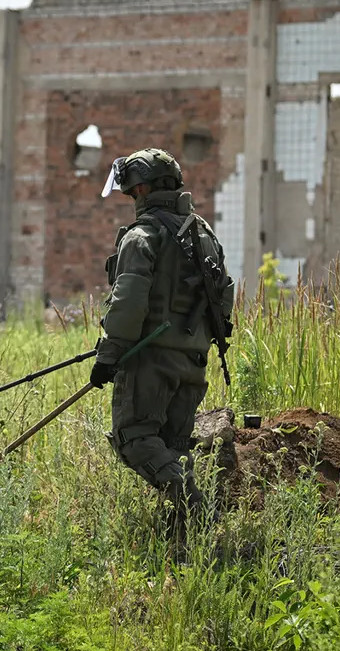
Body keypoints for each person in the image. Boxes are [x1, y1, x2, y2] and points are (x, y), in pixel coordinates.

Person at [89, 148, 235, 512]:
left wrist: (110, 354)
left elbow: (128, 299)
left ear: (140, 190)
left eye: (130, 191)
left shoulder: (142, 235)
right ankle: (184, 533)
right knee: (173, 445)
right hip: (194, 359)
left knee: (135, 440)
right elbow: (225, 293)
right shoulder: (203, 234)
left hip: (150, 358)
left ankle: (197, 509)